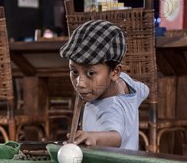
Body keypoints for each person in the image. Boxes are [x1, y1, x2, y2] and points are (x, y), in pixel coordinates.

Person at [60, 20, 149, 150]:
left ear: (115, 72)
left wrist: (93, 137)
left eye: (90, 73)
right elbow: (144, 90)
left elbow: (115, 137)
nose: (80, 83)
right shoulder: (126, 82)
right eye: (74, 72)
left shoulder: (111, 107)